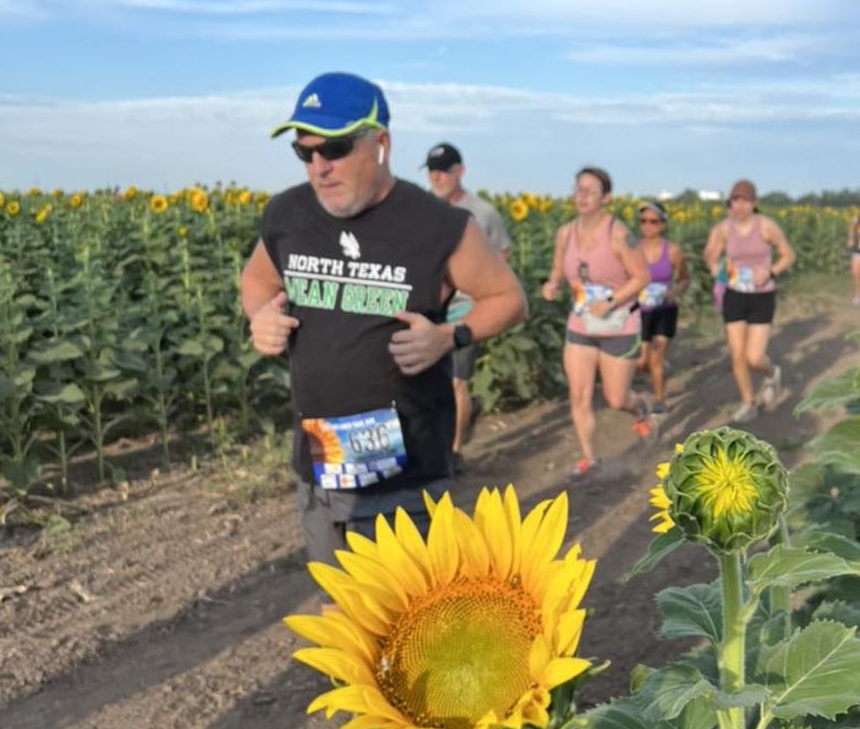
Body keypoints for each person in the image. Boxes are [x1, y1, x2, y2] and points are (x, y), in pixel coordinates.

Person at [241, 72, 527, 577]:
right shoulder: (287, 214)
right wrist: (260, 316)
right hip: (322, 462)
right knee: (341, 612)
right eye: (304, 153)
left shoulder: (437, 225)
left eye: (335, 147)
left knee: (411, 621)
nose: (319, 166)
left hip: (407, 473)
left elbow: (508, 298)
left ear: (381, 144)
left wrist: (449, 336)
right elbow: (257, 277)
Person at [541, 166, 653, 477]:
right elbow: (558, 271)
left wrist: (612, 301)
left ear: (606, 198)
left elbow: (642, 276)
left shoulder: (618, 235)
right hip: (581, 324)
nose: (583, 196)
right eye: (579, 189)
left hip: (619, 323)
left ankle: (640, 408)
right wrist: (553, 285)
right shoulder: (565, 233)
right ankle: (590, 459)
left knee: (616, 398)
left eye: (591, 191)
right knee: (579, 396)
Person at [422, 141, 512, 470]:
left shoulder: (483, 212)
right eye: (432, 171)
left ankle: (454, 451)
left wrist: (479, 290)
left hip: (464, 312)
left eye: (444, 171)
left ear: (460, 172)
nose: (437, 177)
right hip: (423, 313)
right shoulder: (418, 208)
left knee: (457, 381)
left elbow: (502, 256)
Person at [703, 179, 796, 423]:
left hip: (762, 295)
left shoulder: (766, 226)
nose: (740, 206)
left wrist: (771, 272)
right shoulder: (724, 229)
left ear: (754, 203)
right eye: (736, 200)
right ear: (730, 203)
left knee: (754, 357)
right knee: (737, 355)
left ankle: (771, 372)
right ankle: (748, 402)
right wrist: (716, 269)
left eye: (745, 201)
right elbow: (710, 254)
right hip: (734, 294)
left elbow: (788, 255)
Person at [634, 201, 689, 413]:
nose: (648, 226)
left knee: (656, 356)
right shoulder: (633, 250)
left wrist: (674, 292)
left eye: (653, 221)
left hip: (664, 310)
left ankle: (659, 400)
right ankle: (661, 369)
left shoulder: (673, 251)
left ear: (663, 224)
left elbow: (684, 278)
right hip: (639, 312)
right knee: (641, 362)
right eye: (643, 221)